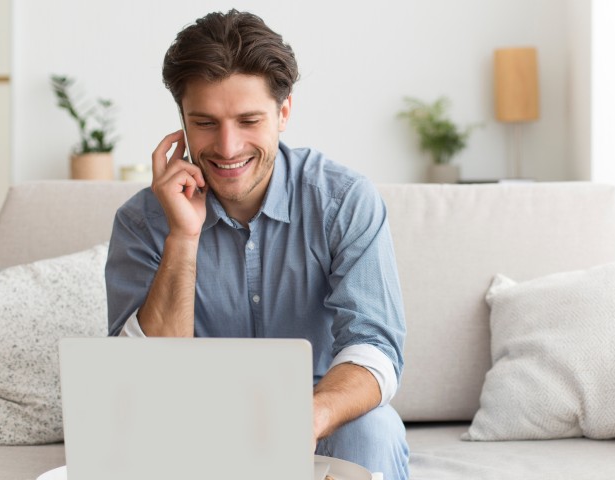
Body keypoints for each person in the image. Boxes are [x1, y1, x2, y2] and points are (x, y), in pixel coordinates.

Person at [105, 9, 409, 479]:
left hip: (319, 416)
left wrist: (312, 416)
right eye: (205, 122)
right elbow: (144, 385)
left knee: (375, 430)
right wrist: (182, 237)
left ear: (283, 113)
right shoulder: (142, 221)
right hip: (194, 431)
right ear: (181, 122)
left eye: (249, 120)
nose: (227, 148)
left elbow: (374, 346)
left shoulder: (344, 200)